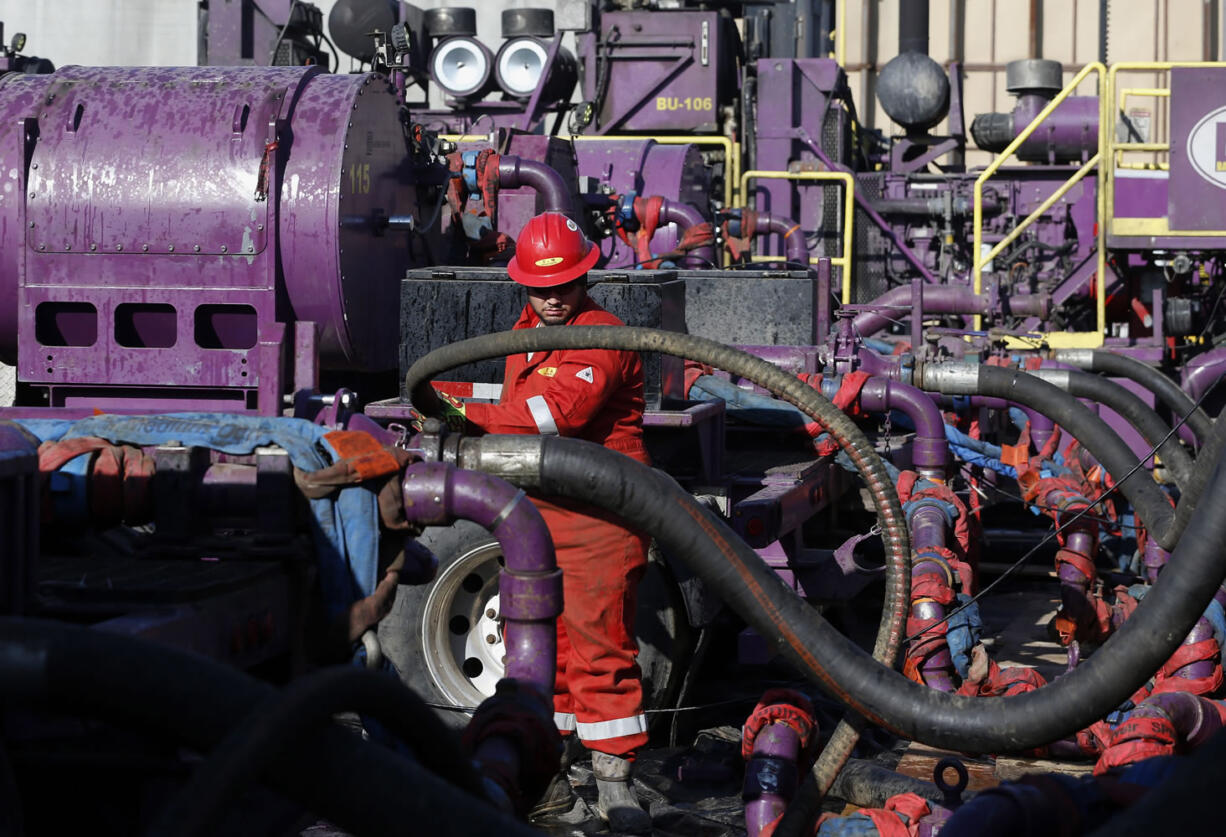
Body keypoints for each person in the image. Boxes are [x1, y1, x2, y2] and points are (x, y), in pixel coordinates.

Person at [421, 211, 653, 832]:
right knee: (552, 654)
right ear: (523, 284)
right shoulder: (527, 332)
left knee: (600, 647)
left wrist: (458, 406)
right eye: (540, 287)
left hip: (600, 517)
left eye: (565, 286)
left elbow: (553, 416)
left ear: (586, 277)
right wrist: (446, 400)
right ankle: (559, 765)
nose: (553, 299)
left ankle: (615, 782)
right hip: (540, 516)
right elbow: (517, 405)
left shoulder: (602, 333)